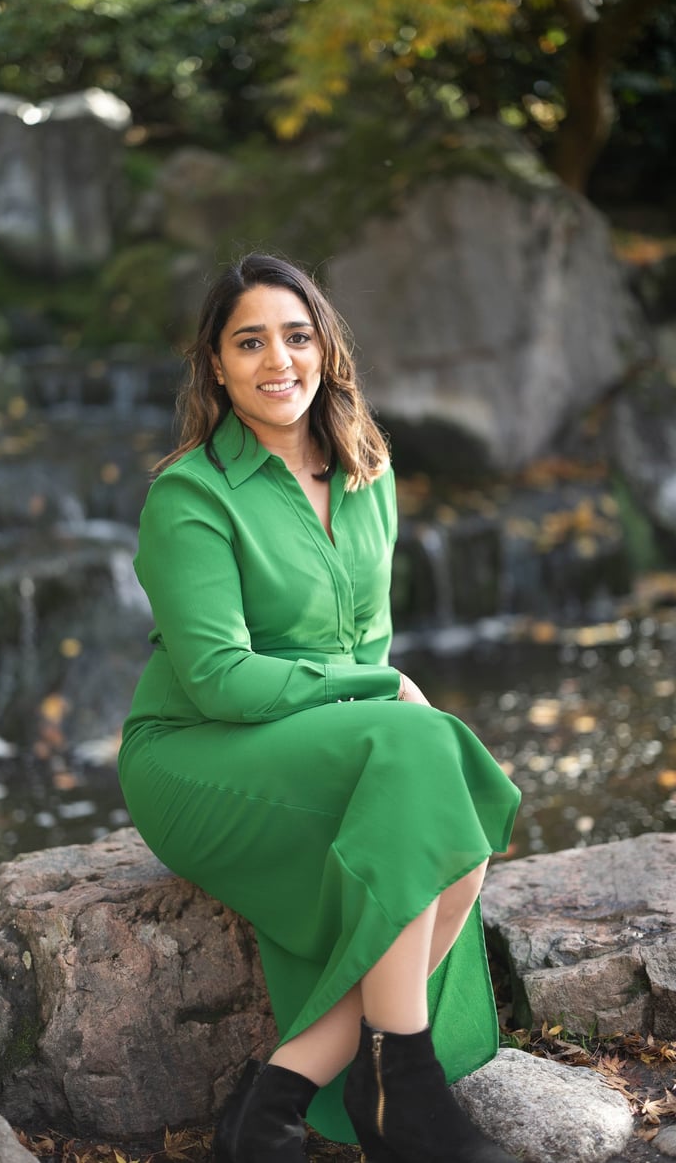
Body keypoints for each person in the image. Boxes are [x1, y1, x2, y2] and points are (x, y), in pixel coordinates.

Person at [118, 252, 521, 1162]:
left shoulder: (364, 470)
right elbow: (220, 677)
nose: (278, 361)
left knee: (448, 826)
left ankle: (281, 1097)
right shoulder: (189, 495)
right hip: (199, 751)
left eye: (296, 336)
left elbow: (365, 644)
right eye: (249, 341)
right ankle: (403, 1096)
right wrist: (377, 689)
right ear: (215, 365)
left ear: (325, 346)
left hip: (316, 738)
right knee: (429, 754)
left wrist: (375, 685)